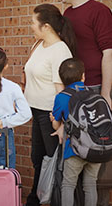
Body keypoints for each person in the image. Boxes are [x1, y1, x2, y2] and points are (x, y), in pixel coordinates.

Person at [55, 0, 112, 206]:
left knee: (98, 150)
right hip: (74, 91)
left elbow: (108, 54)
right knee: (75, 153)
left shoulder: (100, 11)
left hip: (96, 87)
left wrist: (106, 94)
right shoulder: (67, 13)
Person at [24, 3, 77, 206]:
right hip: (36, 111)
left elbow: (62, 90)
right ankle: (35, 198)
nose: (31, 26)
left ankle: (51, 200)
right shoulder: (38, 45)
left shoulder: (60, 50)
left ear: (46, 26)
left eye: (33, 22)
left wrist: (62, 123)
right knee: (38, 157)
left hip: (50, 114)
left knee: (53, 160)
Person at [50, 58, 101, 206]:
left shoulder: (62, 97)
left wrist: (53, 118)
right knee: (90, 184)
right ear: (83, 76)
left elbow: (56, 126)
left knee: (68, 185)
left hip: (74, 150)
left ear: (61, 78)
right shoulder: (94, 94)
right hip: (95, 147)